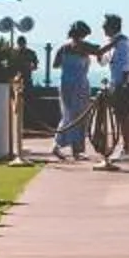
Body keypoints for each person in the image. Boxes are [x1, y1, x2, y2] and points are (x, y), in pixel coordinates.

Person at [50, 20, 103, 161]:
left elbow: (55, 65)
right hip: (79, 85)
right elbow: (99, 50)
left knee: (67, 115)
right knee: (79, 117)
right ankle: (77, 150)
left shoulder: (63, 48)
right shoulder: (83, 46)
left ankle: (58, 144)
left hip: (65, 83)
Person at [98, 13, 129, 163]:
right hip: (118, 83)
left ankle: (127, 150)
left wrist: (123, 84)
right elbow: (104, 61)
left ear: (112, 26)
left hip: (125, 83)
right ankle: (124, 149)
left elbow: (126, 64)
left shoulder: (123, 42)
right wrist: (99, 54)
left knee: (124, 116)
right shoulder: (112, 43)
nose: (103, 28)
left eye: (105, 25)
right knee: (120, 116)